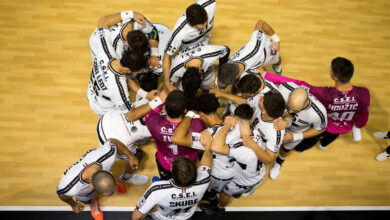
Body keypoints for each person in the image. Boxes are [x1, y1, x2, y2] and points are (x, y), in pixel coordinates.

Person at [261, 57, 370, 151]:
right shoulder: (364, 93)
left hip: (325, 125)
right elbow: (364, 115)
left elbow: (298, 84)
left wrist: (265, 74)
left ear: (334, 77)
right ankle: (323, 146)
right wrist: (358, 126)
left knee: (309, 141)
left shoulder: (324, 94)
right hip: (344, 128)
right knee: (330, 138)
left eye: (330, 69)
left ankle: (301, 149)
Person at [96, 89, 167, 185]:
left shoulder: (153, 99)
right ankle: (126, 177)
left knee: (139, 136)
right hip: (113, 142)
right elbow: (156, 140)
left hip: (105, 121)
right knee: (138, 154)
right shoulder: (161, 128)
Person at [131, 139, 213, 219]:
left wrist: (150, 210)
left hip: (163, 217)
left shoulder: (156, 189)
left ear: (171, 171)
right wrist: (208, 145)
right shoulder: (204, 181)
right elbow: (207, 163)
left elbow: (135, 217)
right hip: (186, 216)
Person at [56, 141, 127, 220]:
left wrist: (131, 157)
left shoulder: (109, 154)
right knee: (87, 199)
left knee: (106, 184)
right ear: (92, 187)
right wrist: (73, 204)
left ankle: (109, 185)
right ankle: (93, 203)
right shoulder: (71, 188)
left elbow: (113, 141)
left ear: (110, 173)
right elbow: (61, 194)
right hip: (82, 190)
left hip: (98, 165)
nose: (115, 191)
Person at [269, 84, 327, 179]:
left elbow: (320, 129)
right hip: (276, 124)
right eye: (289, 106)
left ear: (305, 104)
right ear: (289, 94)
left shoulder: (319, 113)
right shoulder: (283, 89)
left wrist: (294, 137)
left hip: (295, 133)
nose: (290, 111)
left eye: (295, 110)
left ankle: (279, 161)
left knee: (286, 149)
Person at [87, 27, 149, 118]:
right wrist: (157, 101)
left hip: (91, 91)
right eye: (138, 72)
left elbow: (102, 24)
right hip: (103, 108)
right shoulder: (118, 87)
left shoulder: (105, 49)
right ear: (128, 70)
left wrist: (144, 94)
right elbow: (130, 115)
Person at [145, 90, 205, 180]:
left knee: (165, 181)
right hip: (187, 163)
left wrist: (161, 104)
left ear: (165, 108)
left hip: (165, 163)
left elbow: (152, 110)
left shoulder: (153, 122)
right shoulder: (198, 125)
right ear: (185, 110)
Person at [213, 19, 281, 90]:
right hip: (258, 62)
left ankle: (278, 68)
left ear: (236, 77)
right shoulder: (229, 66)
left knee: (278, 61)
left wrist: (276, 39)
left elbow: (261, 23)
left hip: (268, 50)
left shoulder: (254, 49)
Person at [163, 0, 216, 91]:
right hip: (187, 53)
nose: (205, 28)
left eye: (206, 23)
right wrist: (167, 83)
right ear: (190, 24)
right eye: (200, 27)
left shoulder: (210, 3)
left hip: (205, 44)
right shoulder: (179, 33)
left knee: (206, 81)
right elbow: (167, 56)